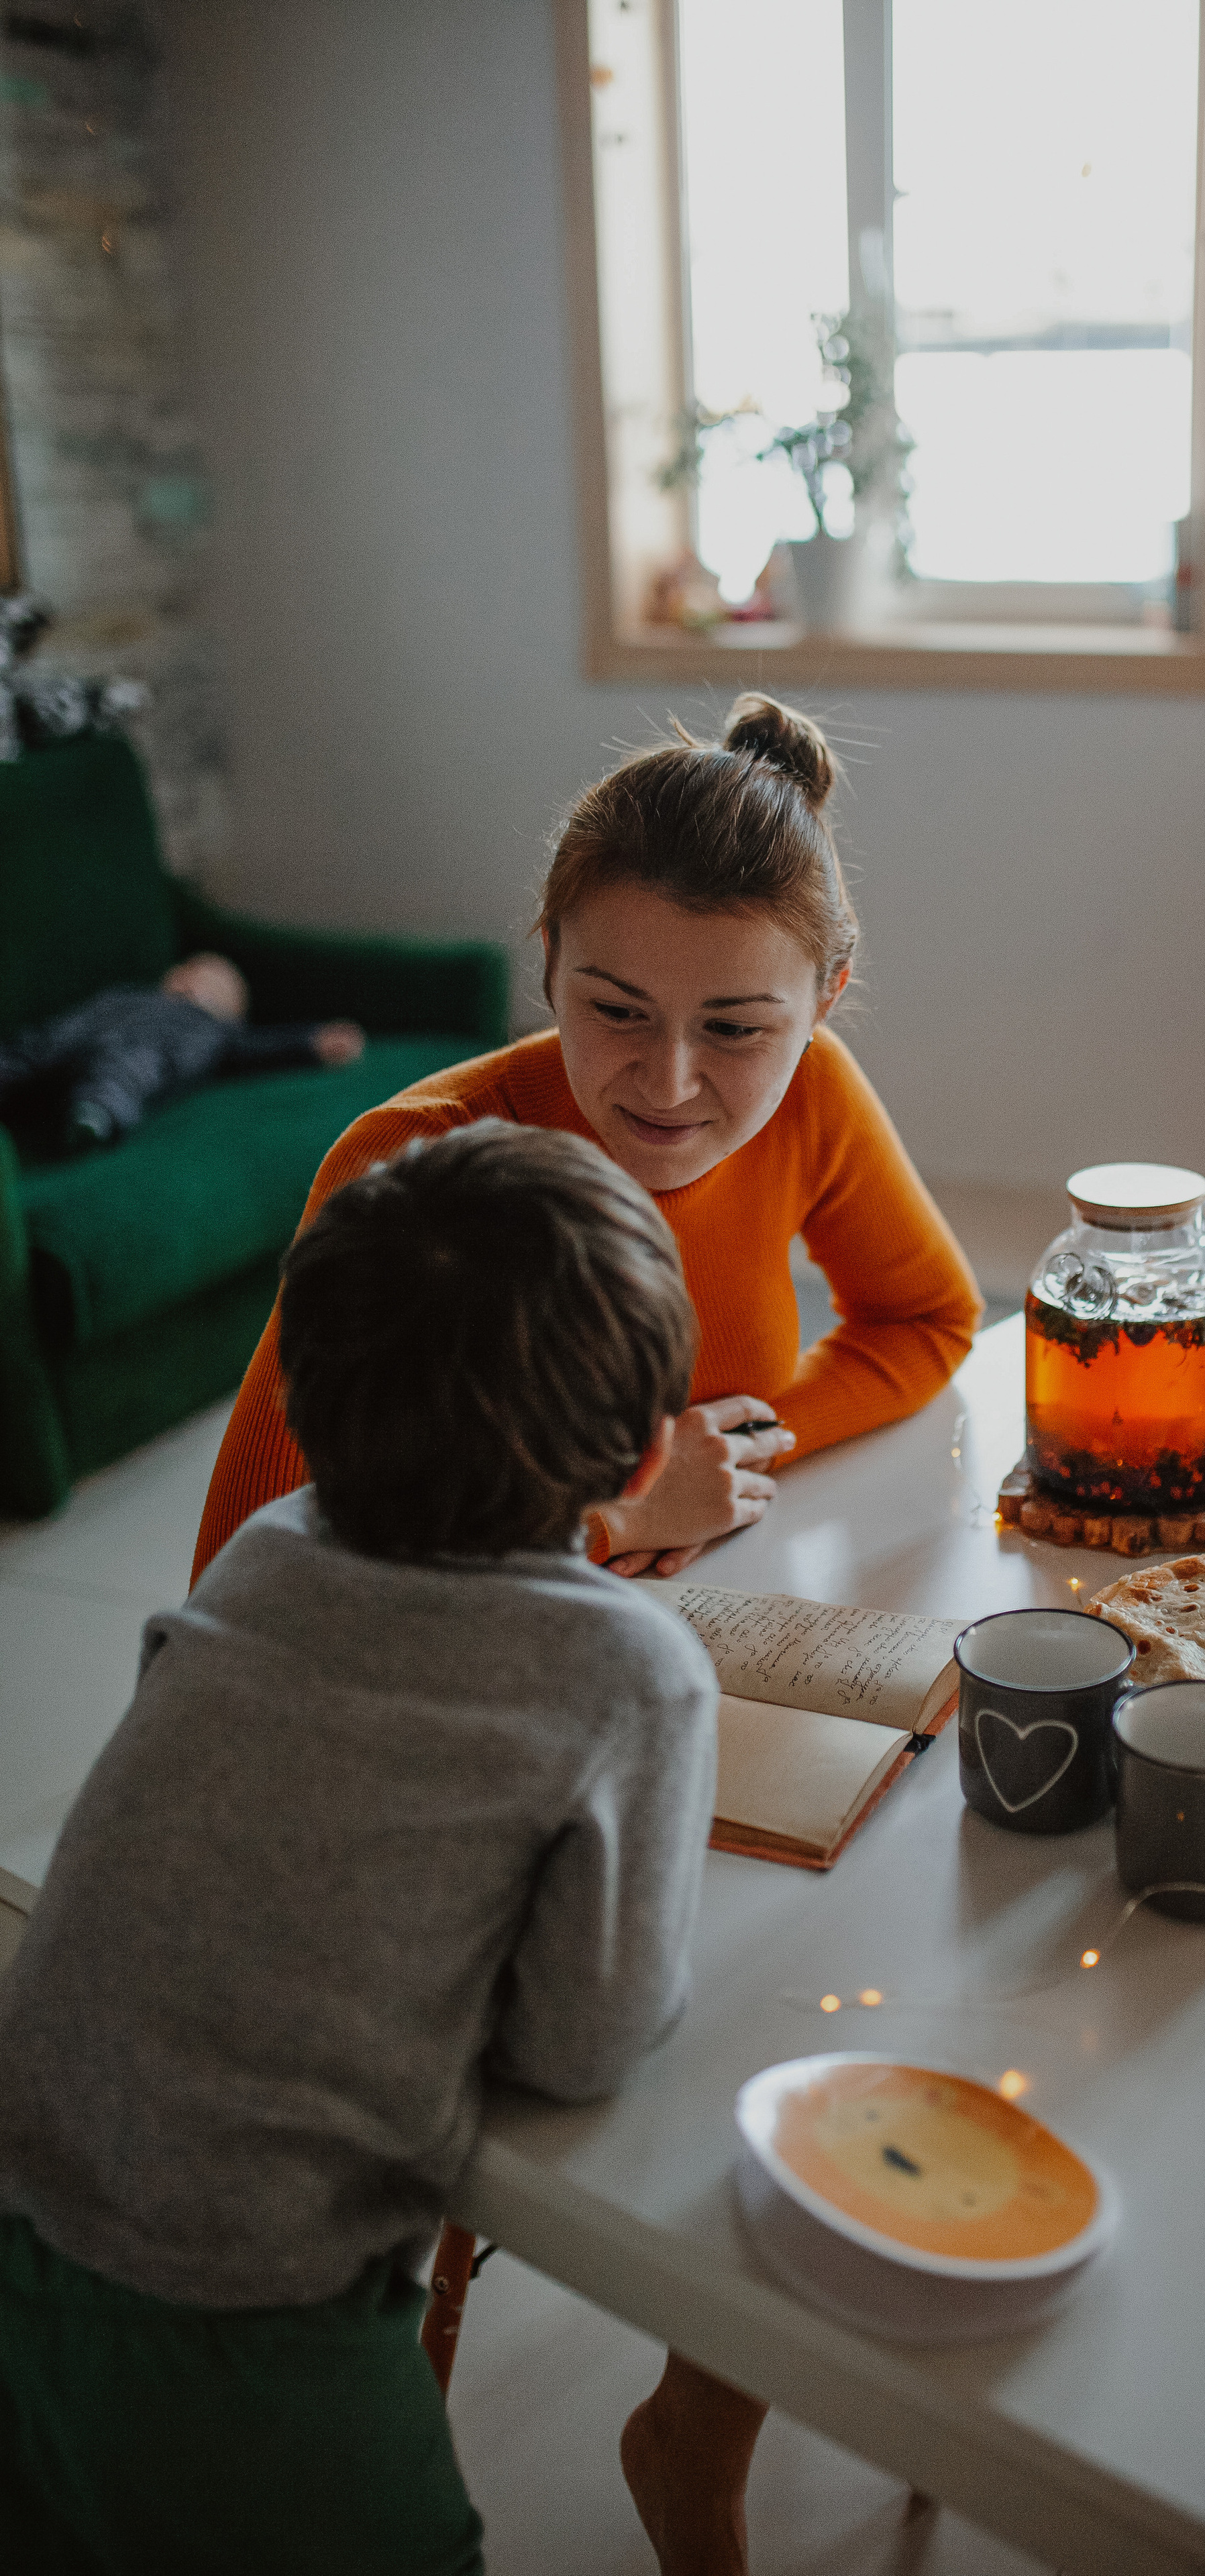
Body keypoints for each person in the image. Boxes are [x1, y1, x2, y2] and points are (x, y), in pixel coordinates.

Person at [0, 1120, 725, 2575]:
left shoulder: (264, 1549)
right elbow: (581, 2047)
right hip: (257, 2335)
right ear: (651, 1454)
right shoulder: (630, 1671)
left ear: (304, 1399)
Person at [192, 694, 982, 1585]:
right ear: (551, 961)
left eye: (733, 1030)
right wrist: (610, 1516)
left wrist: (733, 1458)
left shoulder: (813, 1091)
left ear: (824, 1000)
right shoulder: (411, 1166)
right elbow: (245, 1571)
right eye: (616, 1011)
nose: (668, 1084)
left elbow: (928, 1318)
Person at [0, 951, 366, 1155]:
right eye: (197, 974)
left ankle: (94, 1116)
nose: (199, 987)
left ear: (233, 1017)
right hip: (87, 1030)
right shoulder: (131, 994)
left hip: (135, 1056)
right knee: (37, 1047)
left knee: (127, 1071)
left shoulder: (214, 1032)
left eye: (218, 992)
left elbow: (260, 1047)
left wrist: (311, 1042)